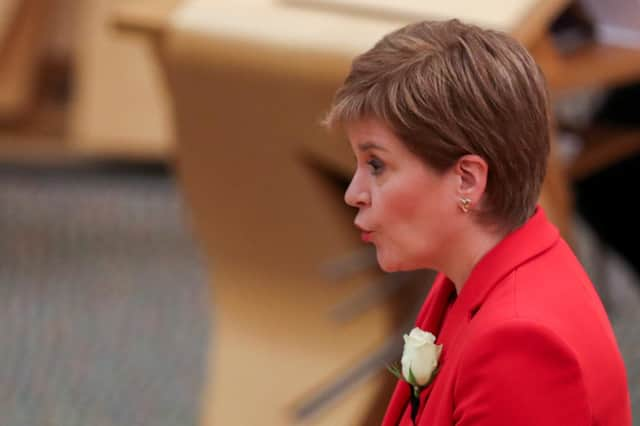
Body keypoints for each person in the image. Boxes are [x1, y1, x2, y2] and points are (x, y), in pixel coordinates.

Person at [323, 19, 631, 426]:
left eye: (377, 165)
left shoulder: (520, 345)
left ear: (466, 180)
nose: (353, 193)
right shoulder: (473, 274)